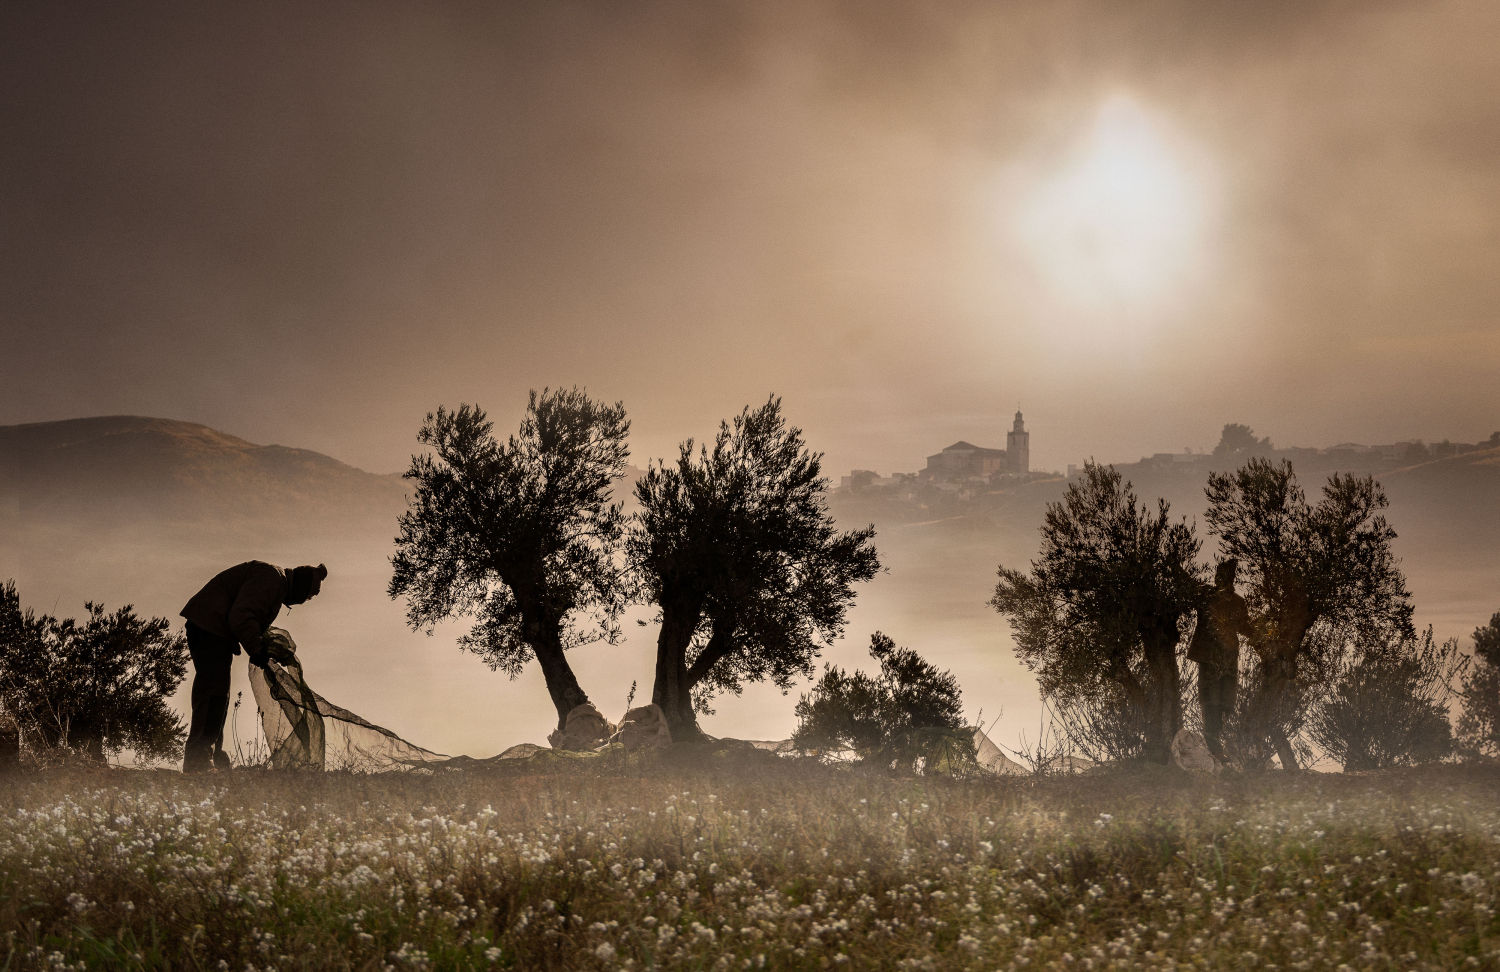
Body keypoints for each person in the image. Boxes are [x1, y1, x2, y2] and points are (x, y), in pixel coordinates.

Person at [179, 561, 327, 773]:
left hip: (213, 628)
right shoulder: (271, 580)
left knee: (219, 694)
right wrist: (256, 648)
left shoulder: (275, 583)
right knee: (212, 691)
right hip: (208, 626)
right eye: (308, 596)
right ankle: (198, 759)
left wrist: (262, 646)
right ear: (301, 588)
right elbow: (241, 615)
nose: (305, 601)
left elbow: (246, 616)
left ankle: (210, 756)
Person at [1188, 558, 1253, 761]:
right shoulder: (1206, 594)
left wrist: (1266, 638)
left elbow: (1244, 626)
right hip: (1210, 659)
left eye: (1223, 576)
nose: (1219, 579)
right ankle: (1215, 749)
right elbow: (1186, 584)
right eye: (1218, 575)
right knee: (1210, 703)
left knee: (1224, 703)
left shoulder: (1236, 602)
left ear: (1230, 579)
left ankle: (1219, 749)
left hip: (1226, 659)